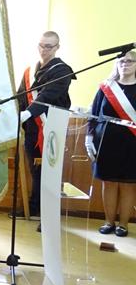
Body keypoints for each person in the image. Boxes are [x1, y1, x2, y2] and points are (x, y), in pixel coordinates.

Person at [17, 31, 74, 223]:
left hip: (51, 127)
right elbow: (21, 96)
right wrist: (17, 114)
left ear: (57, 47)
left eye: (49, 46)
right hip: (32, 128)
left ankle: (48, 215)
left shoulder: (62, 71)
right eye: (41, 45)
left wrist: (28, 112)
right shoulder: (30, 71)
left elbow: (48, 95)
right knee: (35, 169)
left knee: (50, 171)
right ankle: (34, 207)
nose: (44, 50)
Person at [86, 50, 136, 237]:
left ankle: (123, 224)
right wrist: (89, 137)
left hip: (132, 144)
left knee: (128, 185)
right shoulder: (106, 88)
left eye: (130, 61)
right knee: (109, 183)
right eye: (121, 61)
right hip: (106, 143)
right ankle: (109, 222)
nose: (125, 64)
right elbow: (93, 114)